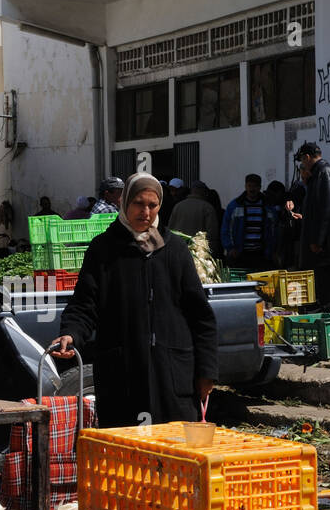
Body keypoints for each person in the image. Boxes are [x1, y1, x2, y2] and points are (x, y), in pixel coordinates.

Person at [51, 173, 218, 428]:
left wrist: (207, 371)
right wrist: (71, 333)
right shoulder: (104, 249)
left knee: (173, 457)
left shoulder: (174, 250)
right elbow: (85, 304)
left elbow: (201, 316)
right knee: (127, 459)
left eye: (153, 205)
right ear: (125, 203)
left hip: (171, 378)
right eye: (139, 203)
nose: (146, 212)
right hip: (123, 378)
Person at [298, 141, 330, 312]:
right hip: (322, 248)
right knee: (323, 289)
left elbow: (325, 210)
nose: (302, 164)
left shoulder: (324, 173)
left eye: (302, 160)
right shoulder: (318, 174)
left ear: (307, 157)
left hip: (325, 248)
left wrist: (318, 240)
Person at [222, 174, 277, 273]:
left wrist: (271, 250)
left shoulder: (268, 207)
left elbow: (274, 230)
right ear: (245, 186)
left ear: (260, 187)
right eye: (249, 186)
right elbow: (226, 229)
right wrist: (230, 248)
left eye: (255, 186)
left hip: (261, 255)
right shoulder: (234, 206)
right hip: (239, 255)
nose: (252, 189)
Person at [169, 180, 223, 259]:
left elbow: (170, 229)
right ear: (203, 191)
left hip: (178, 251)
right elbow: (212, 234)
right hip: (199, 255)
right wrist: (212, 254)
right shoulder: (207, 208)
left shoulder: (178, 206)